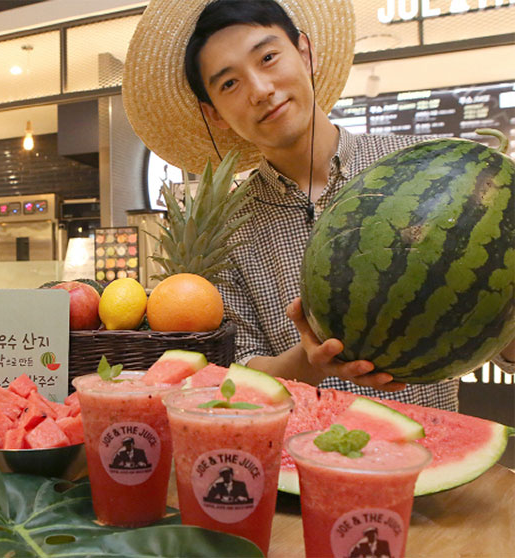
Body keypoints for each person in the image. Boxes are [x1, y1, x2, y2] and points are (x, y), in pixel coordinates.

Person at [122, 0, 515, 412]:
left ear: (305, 54)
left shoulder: (420, 164)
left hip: (429, 455)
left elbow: (480, 313)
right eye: (229, 84)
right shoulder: (224, 231)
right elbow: (239, 378)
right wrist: (310, 361)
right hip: (298, 463)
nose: (260, 90)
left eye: (268, 57)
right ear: (213, 113)